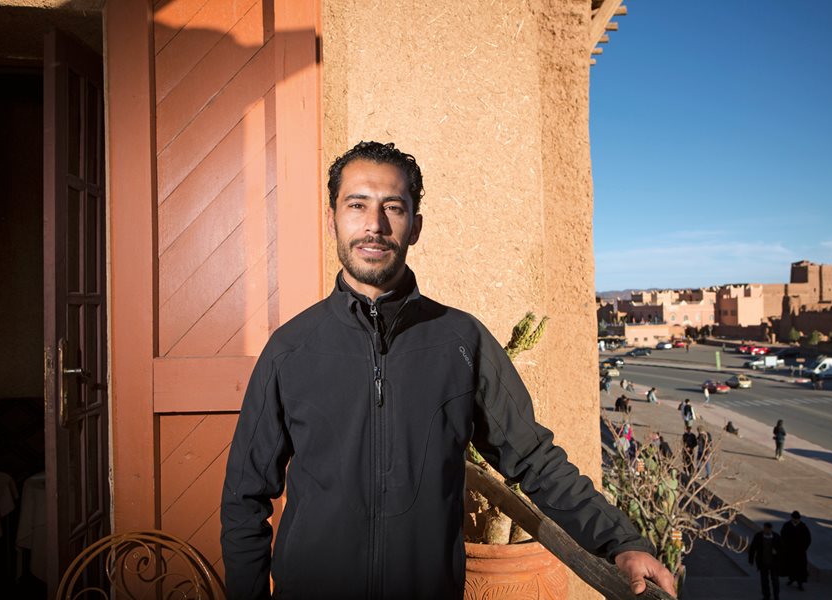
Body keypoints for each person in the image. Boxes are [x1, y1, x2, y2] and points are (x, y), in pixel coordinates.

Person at [220, 141, 675, 599]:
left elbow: (535, 459)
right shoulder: (290, 349)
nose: (374, 225)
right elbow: (244, 498)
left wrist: (622, 542)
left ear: (414, 227)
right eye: (356, 205)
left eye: (392, 208)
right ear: (333, 218)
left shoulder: (462, 342)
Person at [749, 523, 782, 600]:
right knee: (764, 580)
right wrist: (751, 559)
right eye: (765, 529)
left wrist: (777, 552)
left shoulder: (776, 537)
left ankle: (776, 596)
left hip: (774, 563)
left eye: (768, 529)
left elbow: (782, 549)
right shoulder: (758, 536)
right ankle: (766, 596)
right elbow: (753, 548)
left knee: (775, 580)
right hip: (763, 562)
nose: (767, 530)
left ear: (771, 529)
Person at [781, 511, 811, 590]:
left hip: (800, 552)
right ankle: (792, 579)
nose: (796, 520)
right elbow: (783, 536)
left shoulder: (803, 526)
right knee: (791, 567)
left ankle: (800, 583)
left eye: (797, 519)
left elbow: (808, 539)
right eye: (794, 519)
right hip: (790, 551)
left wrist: (803, 548)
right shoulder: (787, 525)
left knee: (800, 568)